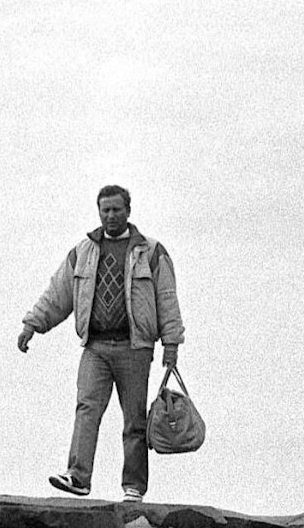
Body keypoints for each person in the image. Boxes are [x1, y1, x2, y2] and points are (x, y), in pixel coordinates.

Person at [19, 186, 184, 501]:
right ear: (98, 212)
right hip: (95, 346)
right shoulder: (84, 251)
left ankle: (134, 486)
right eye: (105, 210)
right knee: (87, 409)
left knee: (134, 418)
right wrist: (32, 324)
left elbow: (167, 299)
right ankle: (78, 476)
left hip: (135, 347)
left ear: (128, 211)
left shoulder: (150, 251)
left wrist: (171, 344)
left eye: (116, 210)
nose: (110, 216)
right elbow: (58, 293)